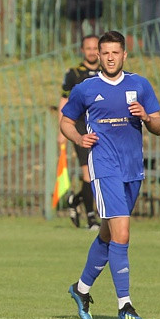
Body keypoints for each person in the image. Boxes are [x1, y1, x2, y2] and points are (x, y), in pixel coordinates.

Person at [60, 30, 160, 319]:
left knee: (108, 233)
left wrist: (146, 116)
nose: (109, 57)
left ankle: (81, 289)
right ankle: (125, 305)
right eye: (105, 52)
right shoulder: (86, 88)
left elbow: (159, 125)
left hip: (133, 169)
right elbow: (66, 121)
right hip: (104, 167)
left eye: (115, 52)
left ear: (124, 55)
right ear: (99, 55)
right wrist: (80, 139)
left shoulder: (139, 85)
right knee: (122, 233)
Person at [58, 35, 101, 230]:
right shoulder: (74, 73)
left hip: (100, 128)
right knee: (88, 173)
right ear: (82, 50)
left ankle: (75, 200)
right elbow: (64, 102)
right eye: (88, 48)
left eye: (95, 48)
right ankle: (91, 219)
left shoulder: (106, 73)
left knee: (97, 173)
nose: (92, 51)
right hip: (80, 127)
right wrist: (62, 130)